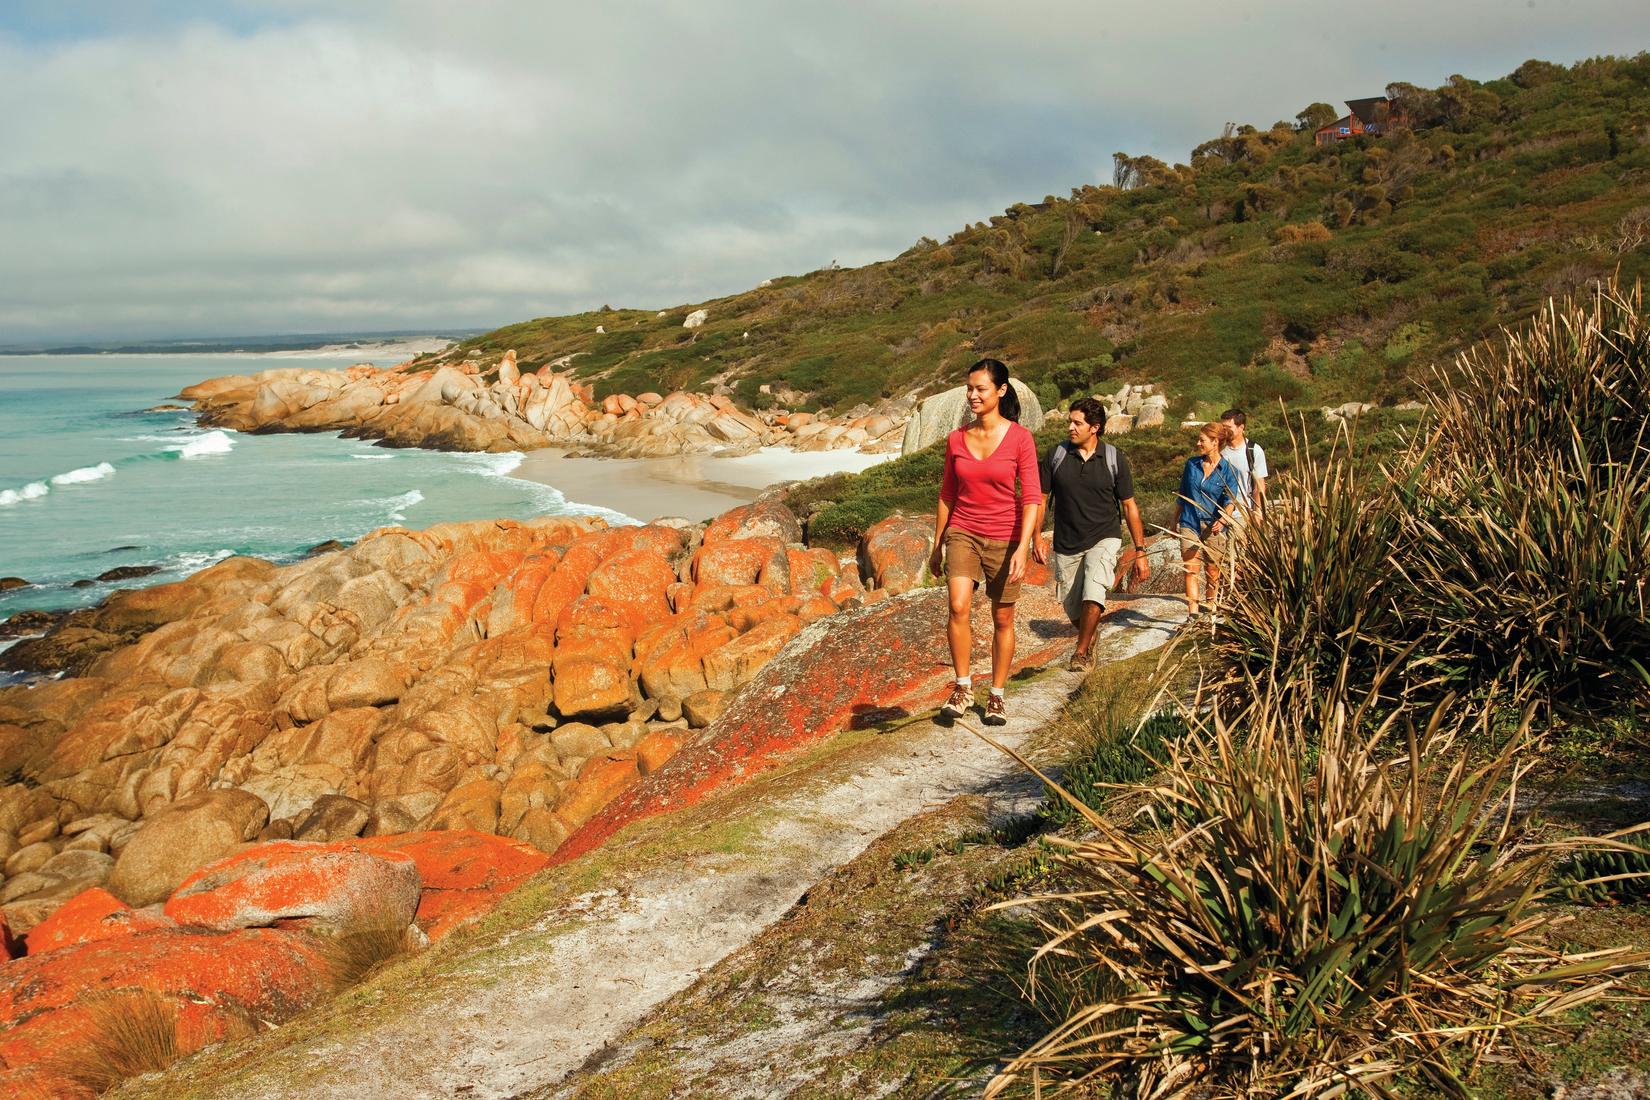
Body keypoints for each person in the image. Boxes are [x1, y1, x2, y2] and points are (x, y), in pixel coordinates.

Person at [927, 359, 1041, 726]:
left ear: (1001, 391)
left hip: (1006, 537)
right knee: (958, 606)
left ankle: (996, 694)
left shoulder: (1020, 438)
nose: (972, 395)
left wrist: (1023, 548)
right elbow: (947, 493)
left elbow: (1032, 498)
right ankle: (962, 687)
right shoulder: (957, 438)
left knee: (1002, 618)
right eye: (969, 389)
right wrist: (937, 543)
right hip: (964, 531)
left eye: (981, 389)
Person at [1032, 397, 1150, 672]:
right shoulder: (1056, 455)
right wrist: (1036, 536)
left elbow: (1130, 506)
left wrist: (1140, 550)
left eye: (1077, 423)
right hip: (1066, 542)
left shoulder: (1113, 458)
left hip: (1105, 536)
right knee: (1073, 607)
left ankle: (1081, 653)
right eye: (1069, 422)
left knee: (1093, 591)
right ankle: (1089, 635)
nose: (1070, 428)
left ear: (1094, 427)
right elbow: (1040, 499)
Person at [1176, 421, 1242, 619]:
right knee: (1190, 569)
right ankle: (1193, 614)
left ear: (1215, 442)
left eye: (1202, 440)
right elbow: (1182, 494)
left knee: (1213, 571)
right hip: (1190, 522)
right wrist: (1174, 519)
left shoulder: (1230, 471)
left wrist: (1222, 520)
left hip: (1213, 526)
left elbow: (1230, 501)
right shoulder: (1191, 465)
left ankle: (1212, 609)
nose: (1198, 443)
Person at [1219, 408, 1268, 517]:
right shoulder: (1218, 450)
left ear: (1241, 427)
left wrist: (1258, 513)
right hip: (1218, 514)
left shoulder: (1253, 451)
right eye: (1223, 427)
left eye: (1229, 428)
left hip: (1243, 514)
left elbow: (1259, 486)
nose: (1225, 431)